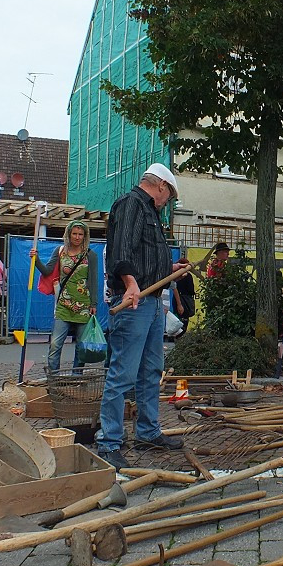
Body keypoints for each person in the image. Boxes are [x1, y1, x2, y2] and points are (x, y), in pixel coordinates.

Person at [96, 163, 190, 469]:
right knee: (122, 373)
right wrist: (131, 283)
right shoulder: (130, 204)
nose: (168, 200)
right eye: (170, 194)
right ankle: (109, 441)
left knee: (151, 370)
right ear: (161, 186)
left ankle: (148, 431)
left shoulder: (150, 212)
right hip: (133, 303)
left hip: (150, 303)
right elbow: (120, 250)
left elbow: (143, 255)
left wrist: (169, 270)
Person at [31, 220, 98, 374]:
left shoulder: (90, 255)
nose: (77, 237)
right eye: (74, 233)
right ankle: (54, 376)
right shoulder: (60, 251)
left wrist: (94, 304)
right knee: (55, 343)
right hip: (63, 304)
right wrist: (36, 260)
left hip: (83, 305)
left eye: (80, 234)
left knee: (81, 345)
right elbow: (47, 271)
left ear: (85, 236)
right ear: (68, 234)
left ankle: (76, 376)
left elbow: (93, 280)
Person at [172, 255, 195, 335]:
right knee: (182, 324)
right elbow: (190, 290)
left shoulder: (178, 275)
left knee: (181, 323)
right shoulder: (184, 276)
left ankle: (178, 339)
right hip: (183, 300)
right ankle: (178, 339)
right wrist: (179, 304)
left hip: (179, 300)